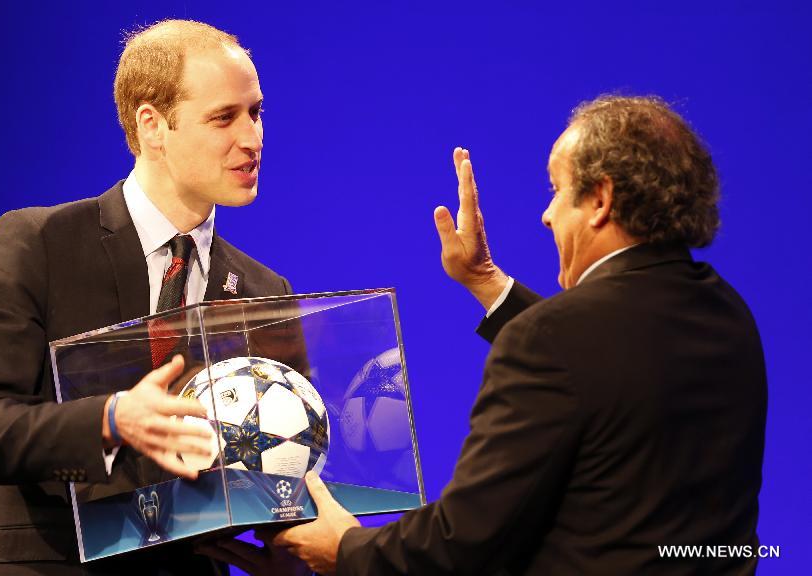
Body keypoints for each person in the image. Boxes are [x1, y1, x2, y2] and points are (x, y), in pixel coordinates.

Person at [270, 95, 767, 575]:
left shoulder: (552, 340)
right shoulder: (727, 313)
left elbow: (463, 541)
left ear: (600, 199)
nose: (547, 215)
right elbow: (611, 362)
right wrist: (485, 281)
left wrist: (349, 551)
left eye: (556, 189)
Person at [0, 19, 299, 575]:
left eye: (256, 112)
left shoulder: (265, 294)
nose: (252, 138)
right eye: (223, 117)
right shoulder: (39, 243)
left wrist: (298, 544)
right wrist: (112, 420)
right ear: (153, 125)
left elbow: (282, 467)